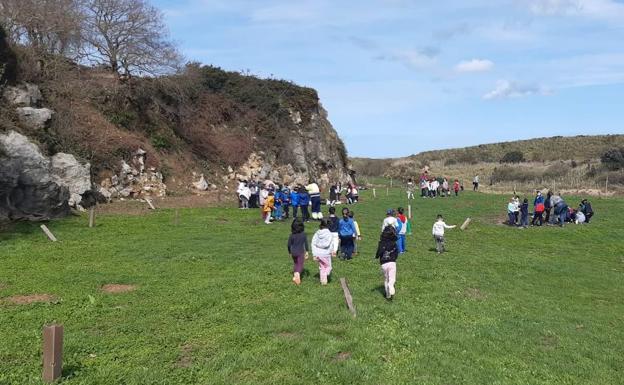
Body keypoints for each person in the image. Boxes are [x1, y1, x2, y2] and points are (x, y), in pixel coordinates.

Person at [376, 225, 399, 299]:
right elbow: (396, 252)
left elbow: (379, 252)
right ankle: (391, 286)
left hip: (383, 263)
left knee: (386, 279)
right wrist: (395, 257)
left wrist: (377, 256)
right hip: (392, 262)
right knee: (392, 279)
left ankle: (387, 295)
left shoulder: (381, 243)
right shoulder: (394, 243)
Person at [311, 219, 335, 285]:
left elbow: (313, 243)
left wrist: (314, 253)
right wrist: (332, 251)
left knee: (322, 267)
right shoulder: (329, 233)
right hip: (326, 253)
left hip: (318, 253)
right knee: (328, 267)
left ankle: (323, 281)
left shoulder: (317, 233)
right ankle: (325, 275)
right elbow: (329, 244)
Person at [287, 219, 309, 285]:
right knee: (300, 264)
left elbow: (288, 245)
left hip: (293, 252)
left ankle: (295, 275)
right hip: (300, 252)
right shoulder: (303, 235)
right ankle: (297, 274)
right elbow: (306, 244)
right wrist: (307, 251)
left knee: (296, 263)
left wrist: (289, 252)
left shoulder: (291, 235)